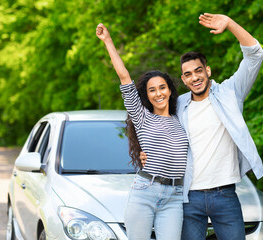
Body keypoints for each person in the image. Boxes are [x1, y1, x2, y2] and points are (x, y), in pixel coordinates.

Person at [141, 13, 263, 240]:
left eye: (199, 71)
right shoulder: (177, 106)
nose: (194, 77)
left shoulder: (230, 93)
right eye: (188, 74)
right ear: (183, 79)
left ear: (208, 71)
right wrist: (146, 153)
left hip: (225, 195)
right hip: (188, 197)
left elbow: (255, 55)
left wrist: (230, 24)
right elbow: (154, 128)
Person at [96, 23, 189, 240]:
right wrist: (108, 41)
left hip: (175, 196)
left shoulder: (182, 117)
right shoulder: (142, 117)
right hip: (146, 191)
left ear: (170, 90)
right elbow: (124, 78)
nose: (158, 93)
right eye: (152, 90)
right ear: (146, 95)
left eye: (162, 87)